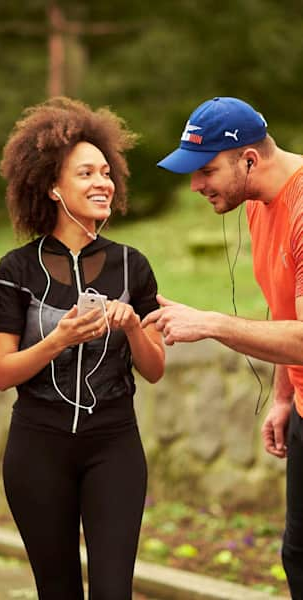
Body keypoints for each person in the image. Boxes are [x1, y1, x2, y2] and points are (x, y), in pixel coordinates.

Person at [0, 96, 165, 600]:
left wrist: (132, 327)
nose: (102, 182)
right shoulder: (15, 271)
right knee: (57, 590)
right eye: (86, 173)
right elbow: (2, 373)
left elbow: (155, 369)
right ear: (52, 187)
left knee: (113, 592)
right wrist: (58, 338)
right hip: (37, 448)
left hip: (114, 444)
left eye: (106, 172)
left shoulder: (133, 265)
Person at [142, 96, 303, 599]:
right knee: (297, 556)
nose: (195, 185)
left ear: (249, 160)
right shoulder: (257, 206)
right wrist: (283, 397)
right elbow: (285, 313)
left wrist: (210, 322)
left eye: (206, 170)